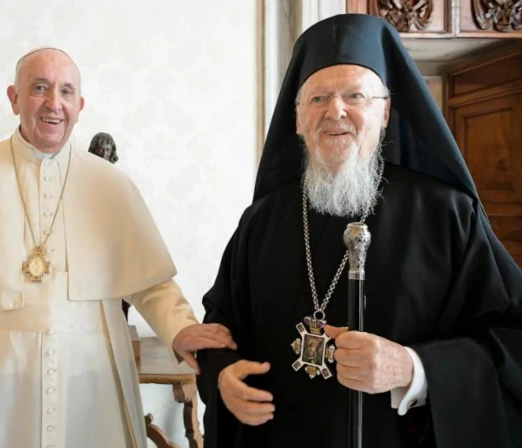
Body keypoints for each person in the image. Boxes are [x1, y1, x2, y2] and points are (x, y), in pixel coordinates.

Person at [196, 14, 522, 448]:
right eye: (317, 98)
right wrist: (222, 374)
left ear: (385, 111)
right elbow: (221, 324)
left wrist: (413, 368)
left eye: (355, 95)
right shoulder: (262, 220)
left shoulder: (448, 215)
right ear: (296, 120)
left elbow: (512, 342)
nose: (335, 110)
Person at [0, 47, 236, 448]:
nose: (54, 103)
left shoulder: (111, 185)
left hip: (95, 385)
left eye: (66, 92)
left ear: (80, 105)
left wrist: (180, 329)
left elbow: (151, 284)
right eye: (39, 88)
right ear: (14, 98)